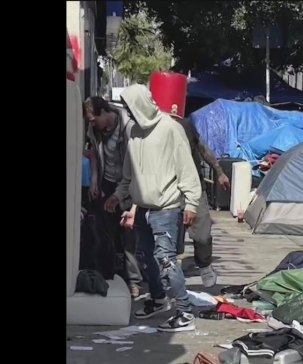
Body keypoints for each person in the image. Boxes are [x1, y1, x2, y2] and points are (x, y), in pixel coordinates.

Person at [106, 84, 203, 333]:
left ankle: (184, 312)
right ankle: (159, 299)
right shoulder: (135, 133)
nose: (128, 111)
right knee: (144, 256)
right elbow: (130, 175)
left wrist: (191, 202)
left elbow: (186, 168)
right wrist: (118, 197)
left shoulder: (171, 128)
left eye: (129, 106)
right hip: (143, 209)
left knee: (166, 260)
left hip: (166, 208)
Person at [84, 97, 144, 298]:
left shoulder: (128, 128)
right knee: (106, 233)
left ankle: (134, 281)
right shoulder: (95, 131)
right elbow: (93, 154)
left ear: (104, 112)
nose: (92, 123)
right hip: (107, 184)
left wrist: (134, 199)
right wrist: (94, 180)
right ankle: (108, 275)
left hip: (128, 185)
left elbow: (138, 163)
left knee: (129, 236)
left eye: (93, 119)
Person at [170, 113, 229, 287]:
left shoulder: (186, 126)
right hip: (169, 189)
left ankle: (204, 265)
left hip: (195, 186)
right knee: (170, 235)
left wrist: (219, 172)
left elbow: (203, 149)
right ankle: (170, 269)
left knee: (202, 234)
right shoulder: (154, 129)